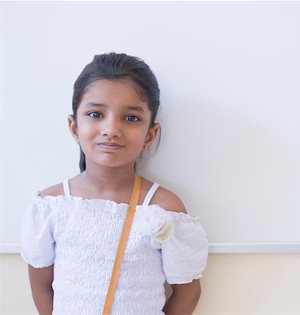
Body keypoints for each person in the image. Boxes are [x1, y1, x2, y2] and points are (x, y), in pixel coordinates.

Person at [20, 53, 209, 315]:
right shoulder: (50, 205)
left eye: (130, 118)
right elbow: (41, 287)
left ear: (150, 134)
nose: (111, 129)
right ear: (74, 127)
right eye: (96, 114)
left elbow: (188, 293)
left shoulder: (164, 207)